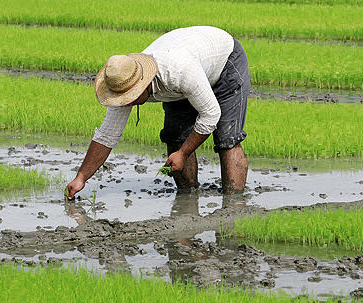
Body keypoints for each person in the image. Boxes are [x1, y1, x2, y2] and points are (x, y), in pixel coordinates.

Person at [65, 26, 250, 200]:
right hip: (189, 64)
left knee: (227, 138)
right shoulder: (122, 81)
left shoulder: (178, 72)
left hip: (224, 61)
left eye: (131, 96)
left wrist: (184, 153)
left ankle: (233, 205)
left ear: (143, 84)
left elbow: (211, 115)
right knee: (175, 136)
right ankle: (188, 200)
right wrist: (81, 177)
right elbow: (107, 136)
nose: (126, 103)